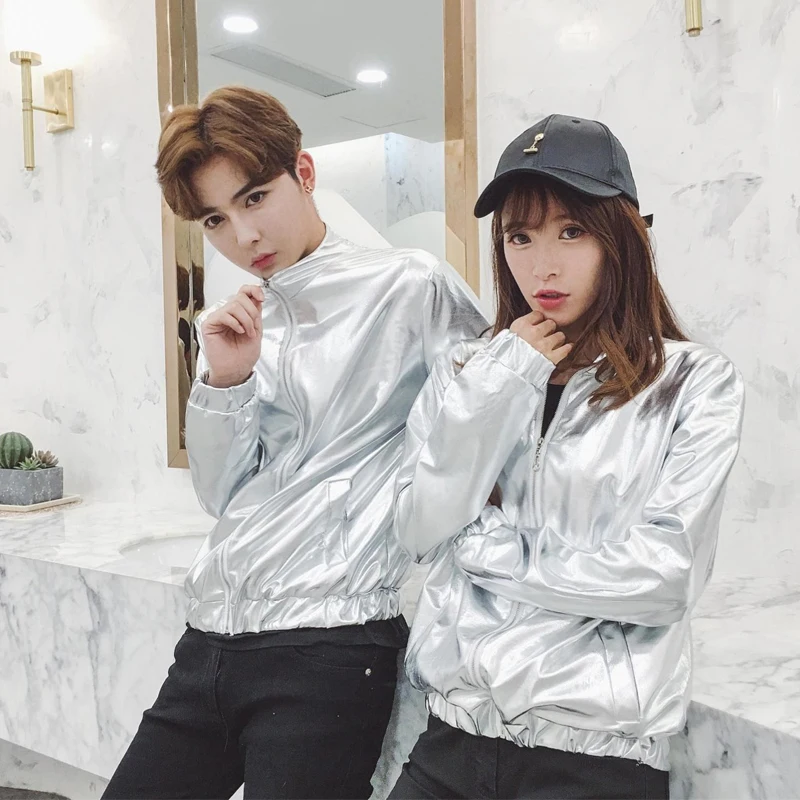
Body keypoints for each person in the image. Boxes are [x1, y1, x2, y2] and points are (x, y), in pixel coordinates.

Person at [102, 86, 486, 800]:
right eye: (215, 219)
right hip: (210, 644)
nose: (243, 236)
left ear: (303, 173)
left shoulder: (410, 285)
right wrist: (226, 379)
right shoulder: (242, 321)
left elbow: (491, 433)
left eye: (254, 198)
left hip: (328, 647)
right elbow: (223, 495)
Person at [389, 114, 745, 799]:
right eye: (519, 237)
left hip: (593, 762)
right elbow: (417, 530)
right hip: (450, 745)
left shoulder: (693, 382)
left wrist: (482, 550)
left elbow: (664, 577)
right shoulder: (468, 371)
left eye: (572, 231)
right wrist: (498, 385)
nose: (541, 266)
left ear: (625, 237)